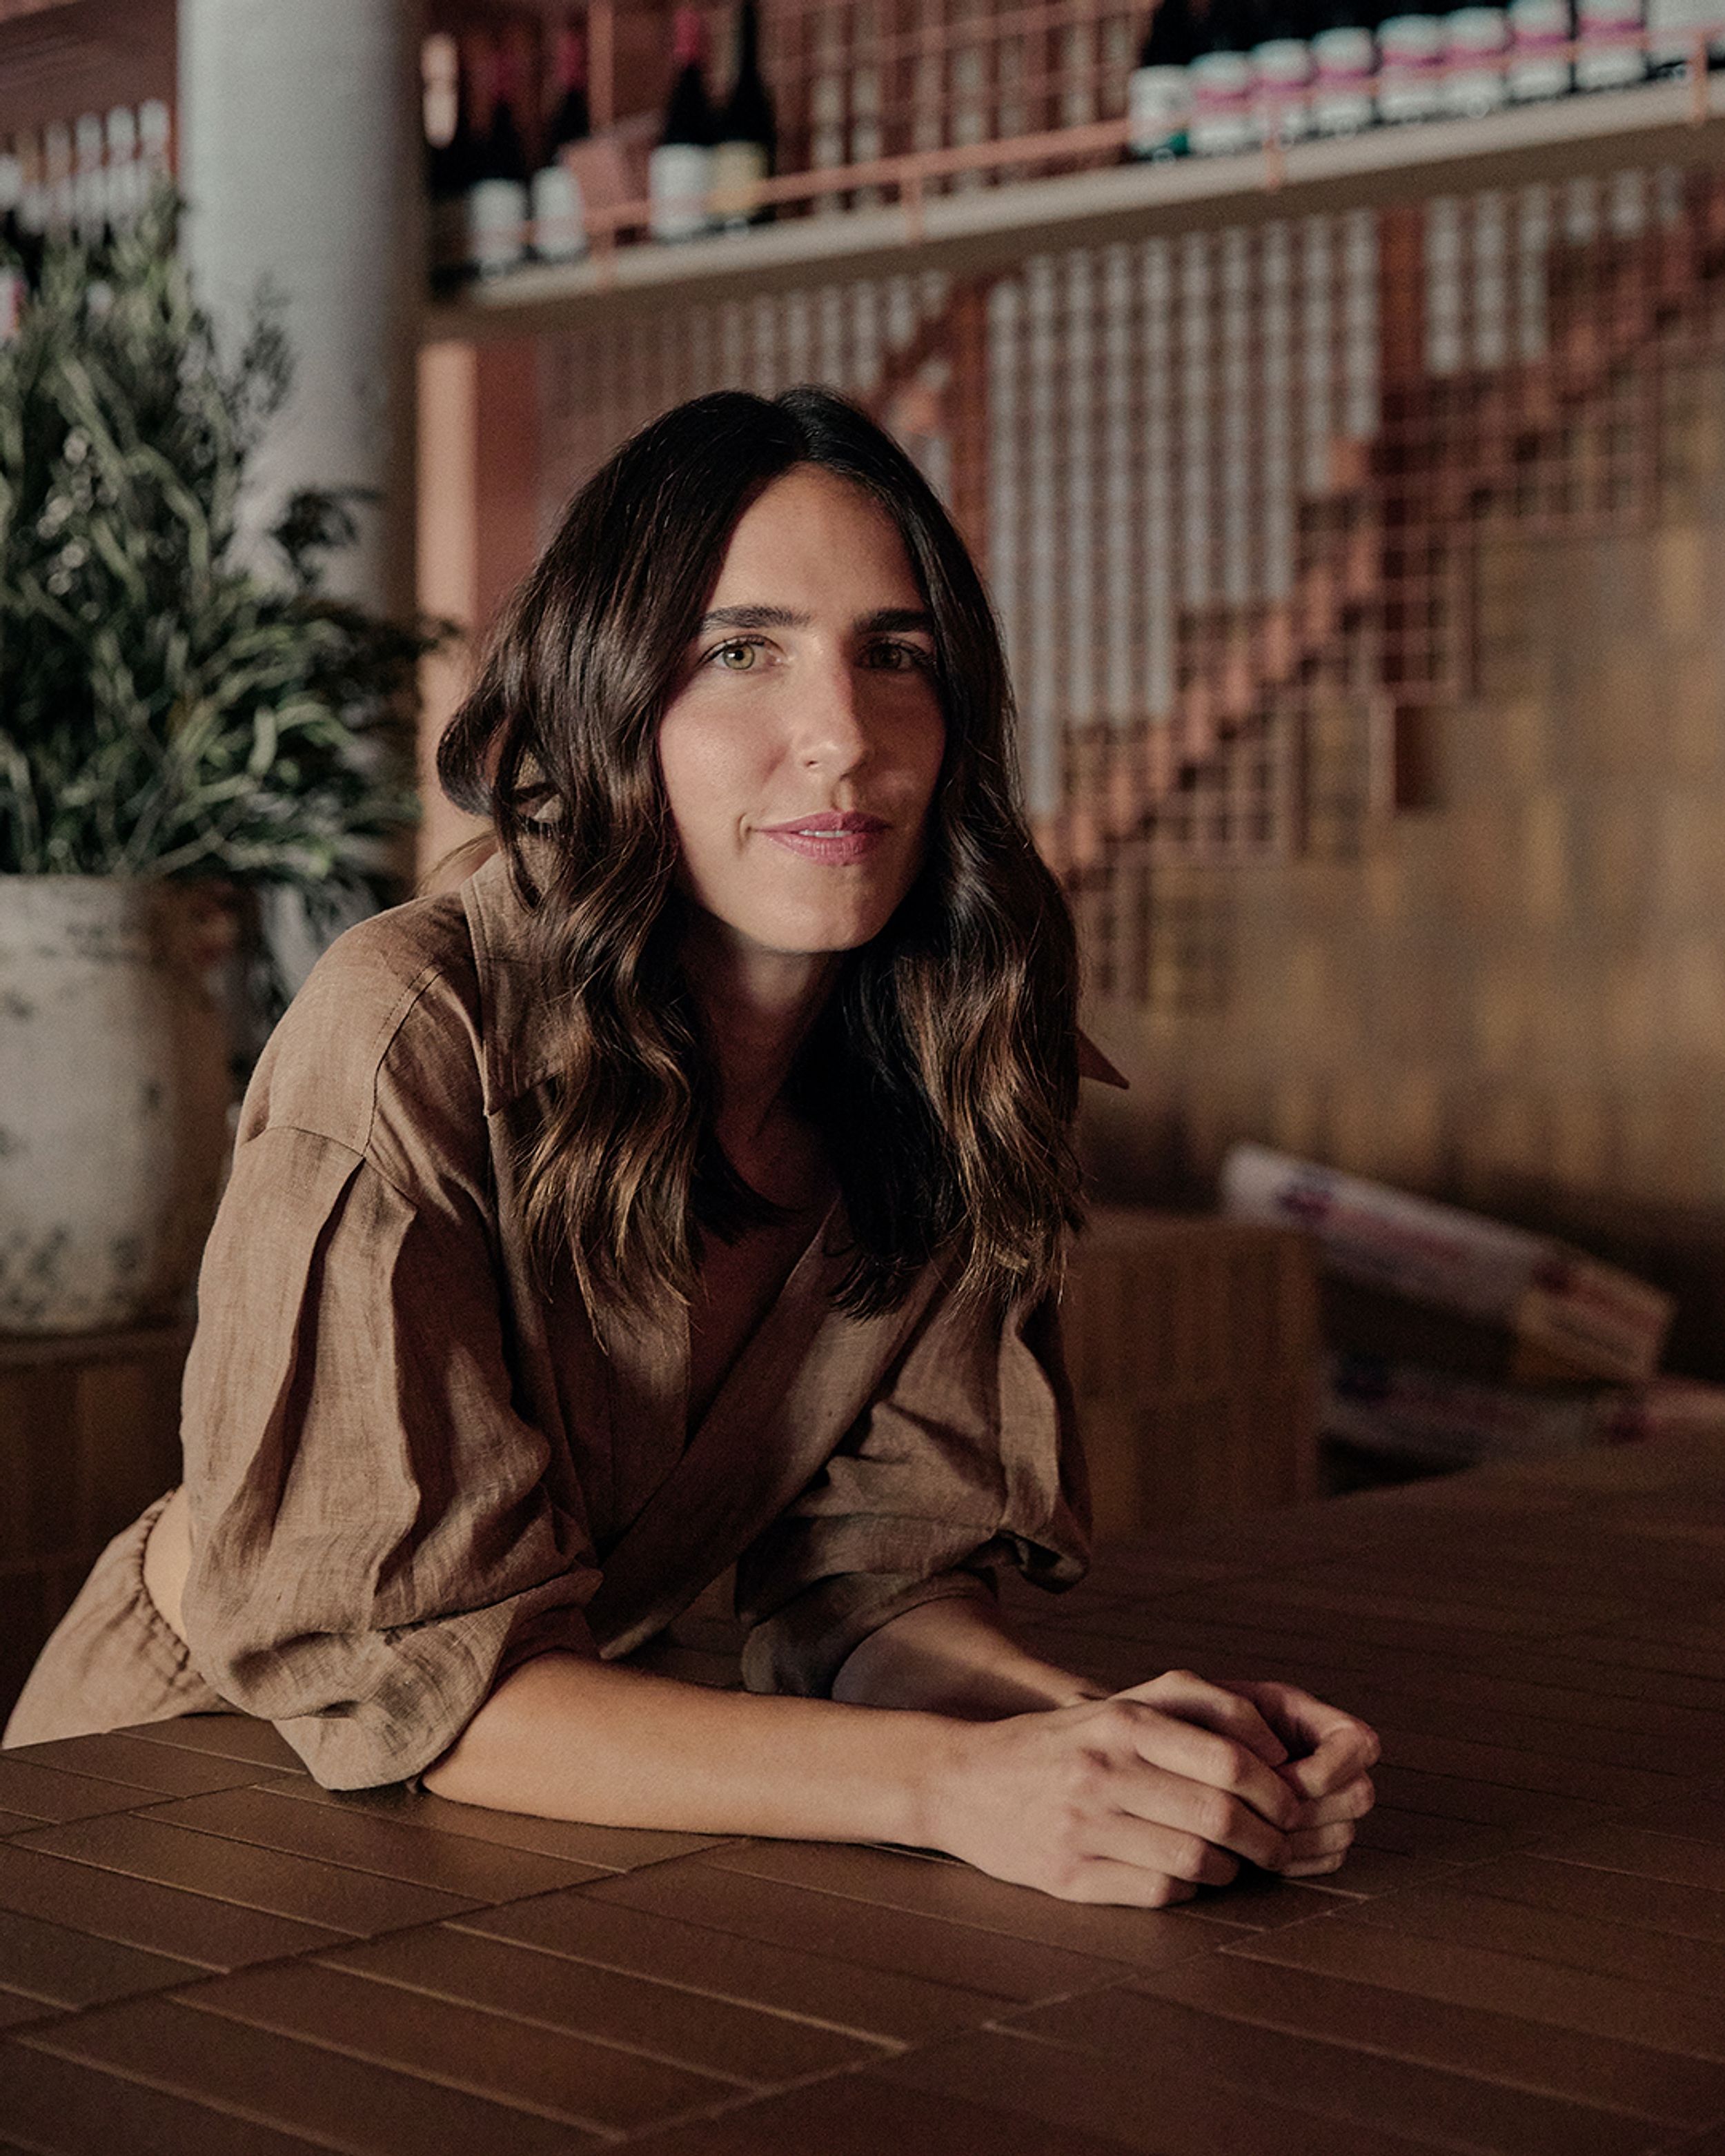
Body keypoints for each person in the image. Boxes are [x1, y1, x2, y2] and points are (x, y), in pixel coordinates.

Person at [6, 387, 1377, 1906]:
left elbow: (869, 1594)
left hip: (531, 1795)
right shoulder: (412, 1024)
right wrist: (954, 1785)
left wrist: (1120, 1751)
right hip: (179, 1784)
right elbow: (420, 1679)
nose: (841, 740)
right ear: (608, 697)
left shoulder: (953, 1050)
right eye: (742, 653)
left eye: (894, 657)